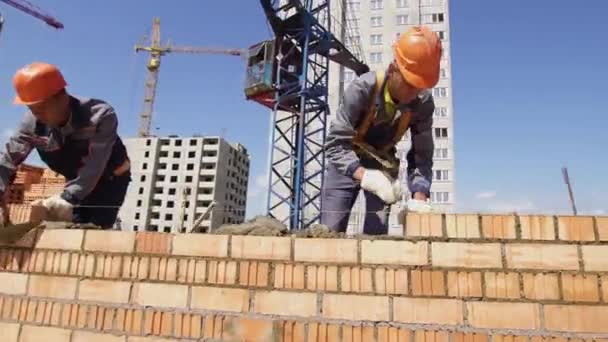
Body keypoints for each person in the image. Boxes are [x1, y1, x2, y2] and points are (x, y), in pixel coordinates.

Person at [321, 26, 441, 235]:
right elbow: (335, 144)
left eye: (420, 87)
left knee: (376, 238)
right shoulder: (363, 88)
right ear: (394, 69)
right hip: (346, 159)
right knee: (329, 231)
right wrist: (365, 176)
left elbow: (422, 154)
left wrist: (419, 198)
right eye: (410, 84)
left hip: (383, 163)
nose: (415, 93)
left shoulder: (422, 103)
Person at [0, 62, 131, 229]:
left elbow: (95, 163)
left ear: (61, 98)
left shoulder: (100, 116)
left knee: (94, 229)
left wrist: (69, 197)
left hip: (110, 179)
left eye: (41, 109)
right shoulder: (31, 124)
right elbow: (8, 159)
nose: (37, 116)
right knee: (73, 229)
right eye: (32, 109)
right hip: (76, 179)